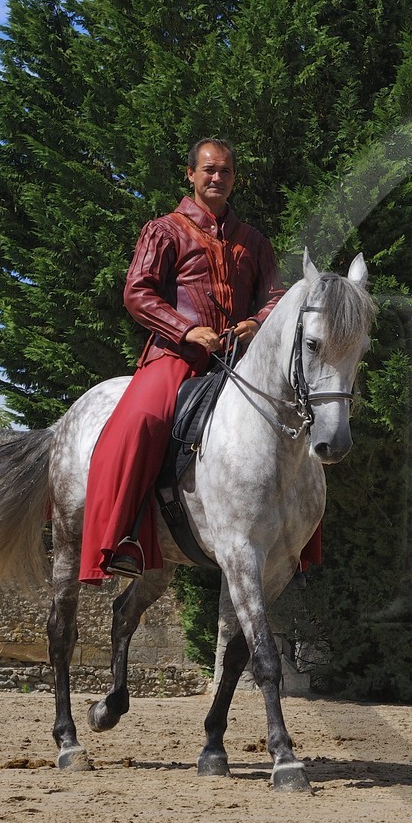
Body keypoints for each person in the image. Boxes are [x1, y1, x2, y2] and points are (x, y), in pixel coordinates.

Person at [78, 138, 284, 583]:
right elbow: (138, 292)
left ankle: (295, 541)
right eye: (209, 170)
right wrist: (186, 330)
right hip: (175, 356)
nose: (217, 178)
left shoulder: (254, 241)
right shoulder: (164, 229)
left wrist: (256, 322)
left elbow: (275, 297)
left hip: (236, 359)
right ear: (190, 174)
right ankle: (124, 537)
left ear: (235, 179)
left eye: (225, 171)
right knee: (142, 422)